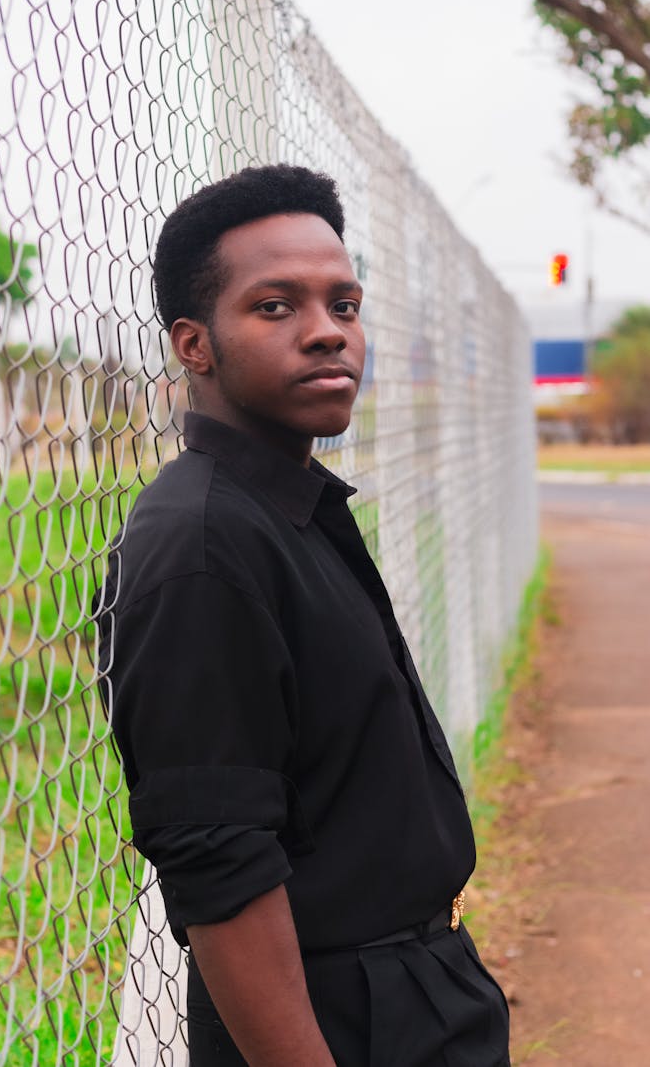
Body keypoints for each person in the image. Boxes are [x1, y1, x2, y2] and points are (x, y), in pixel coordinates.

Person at [97, 165, 510, 1066]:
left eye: (344, 303)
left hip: (413, 990)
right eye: (276, 307)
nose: (329, 333)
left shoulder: (284, 508)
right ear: (194, 345)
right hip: (339, 1019)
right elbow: (220, 862)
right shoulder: (202, 547)